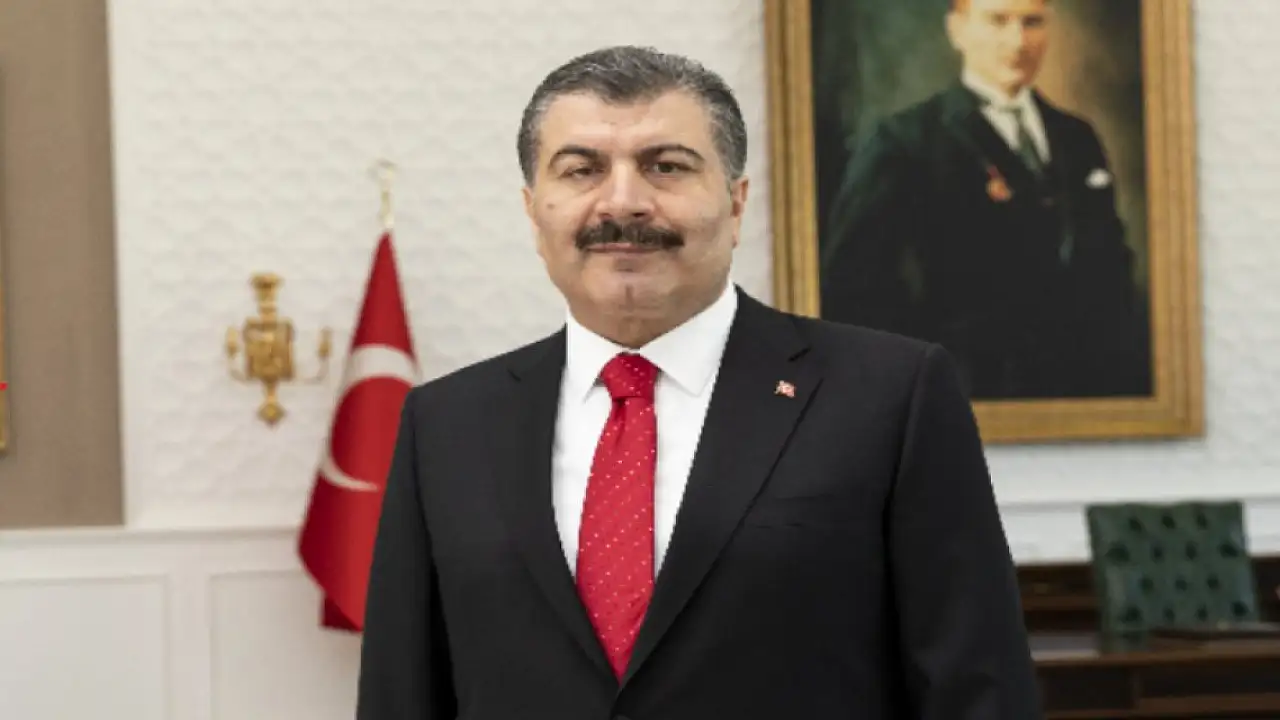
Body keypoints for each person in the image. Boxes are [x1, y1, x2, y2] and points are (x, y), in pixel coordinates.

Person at [355, 44, 1042, 719]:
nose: (623, 201)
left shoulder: (892, 395)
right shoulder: (445, 424)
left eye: (667, 167)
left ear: (736, 204)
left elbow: (978, 691)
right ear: (535, 213)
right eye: (582, 170)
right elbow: (400, 694)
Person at [820, 0, 1151, 400]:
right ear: (957, 30)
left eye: (1032, 22)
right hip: (964, 392)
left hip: (1080, 392)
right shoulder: (906, 141)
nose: (1018, 41)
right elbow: (854, 287)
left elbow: (1111, 271)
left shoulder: (1077, 137)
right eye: (998, 21)